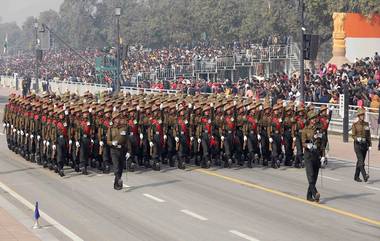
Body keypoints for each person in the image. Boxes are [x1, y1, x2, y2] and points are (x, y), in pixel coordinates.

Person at [302, 111, 322, 202]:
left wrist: (323, 156)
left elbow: (321, 143)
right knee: (310, 175)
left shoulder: (318, 130)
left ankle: (309, 196)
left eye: (315, 118)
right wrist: (307, 145)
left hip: (316, 154)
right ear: (310, 120)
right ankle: (315, 193)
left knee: (315, 177)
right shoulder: (305, 130)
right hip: (308, 155)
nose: (314, 120)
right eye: (313, 119)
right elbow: (303, 142)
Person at [351, 108, 370, 182]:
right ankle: (365, 175)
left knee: (360, 161)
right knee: (361, 161)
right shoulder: (355, 124)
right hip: (357, 145)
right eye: (361, 115)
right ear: (358, 116)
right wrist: (357, 139)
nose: (363, 116)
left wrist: (370, 144)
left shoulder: (366, 124)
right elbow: (353, 135)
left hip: (364, 145)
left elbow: (368, 135)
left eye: (363, 115)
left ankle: (356, 176)